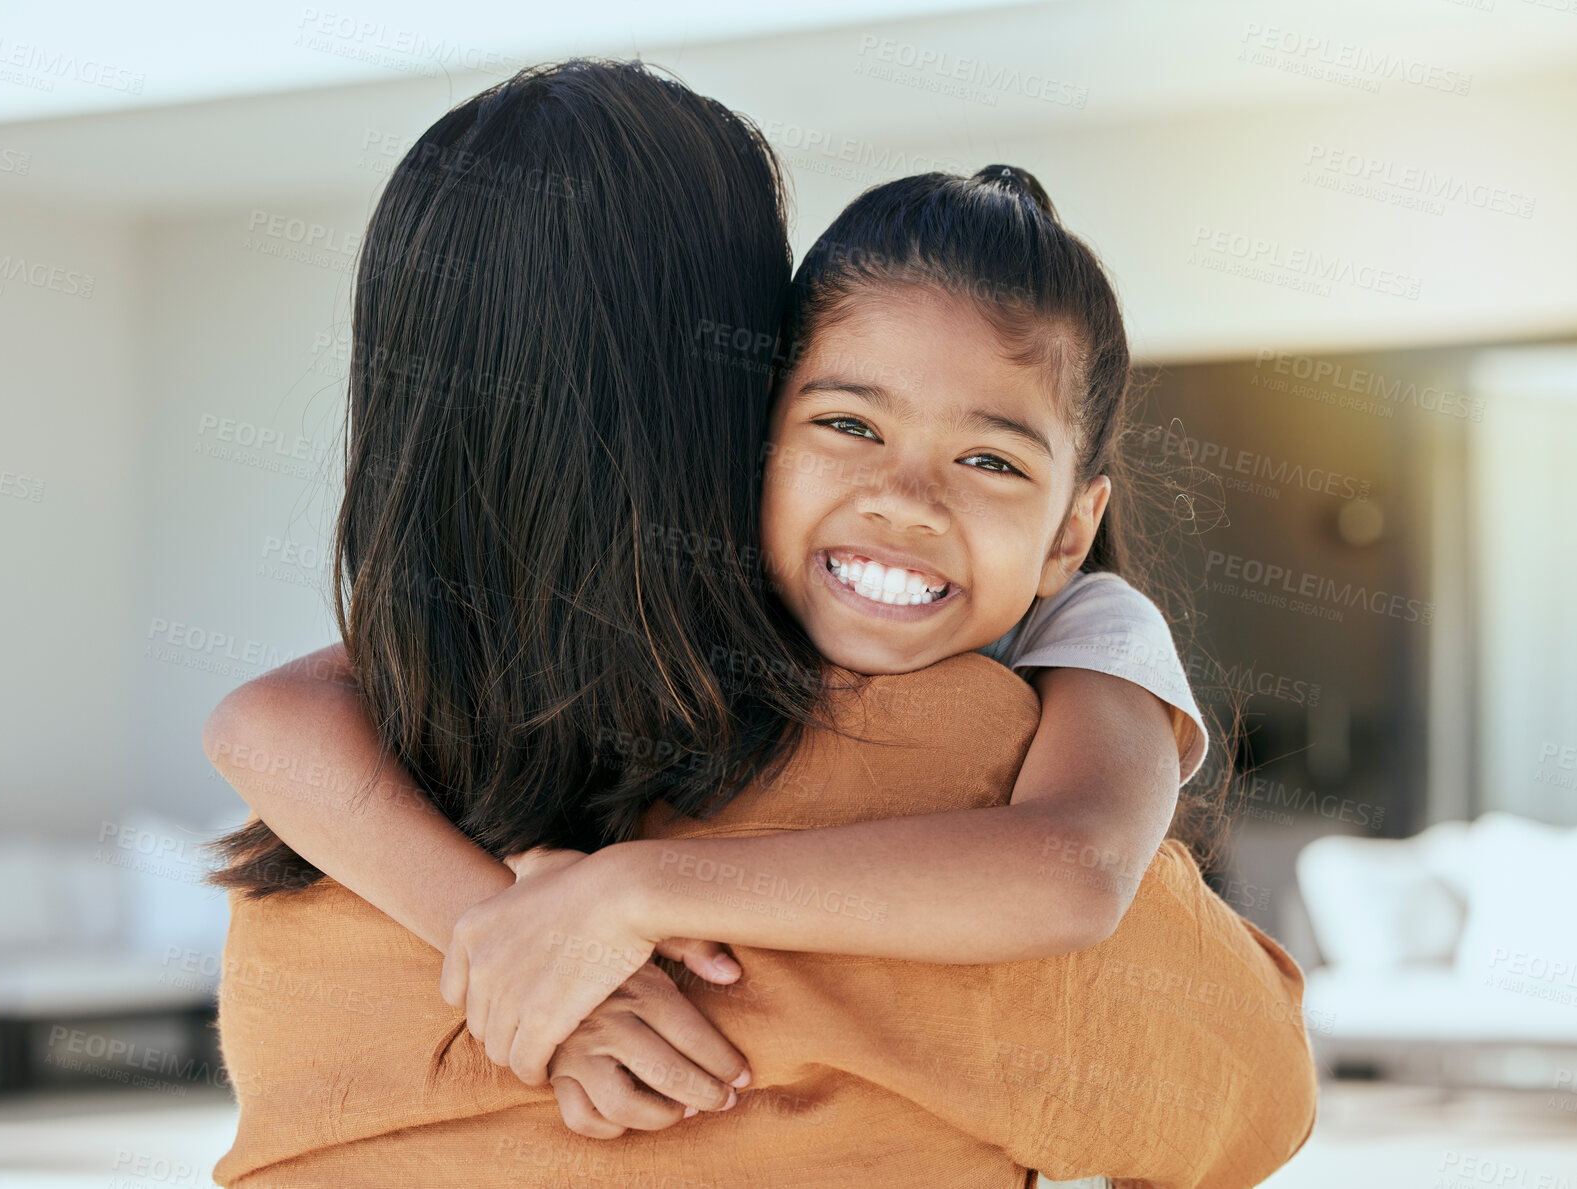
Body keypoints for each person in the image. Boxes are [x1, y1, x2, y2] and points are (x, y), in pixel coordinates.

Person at [205, 60, 1308, 1177]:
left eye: (987, 458)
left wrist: (579, 908)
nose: (901, 500)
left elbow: (261, 720)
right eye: (843, 420)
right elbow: (1250, 1088)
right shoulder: (948, 760)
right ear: (744, 394)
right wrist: (534, 941)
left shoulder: (311, 867)